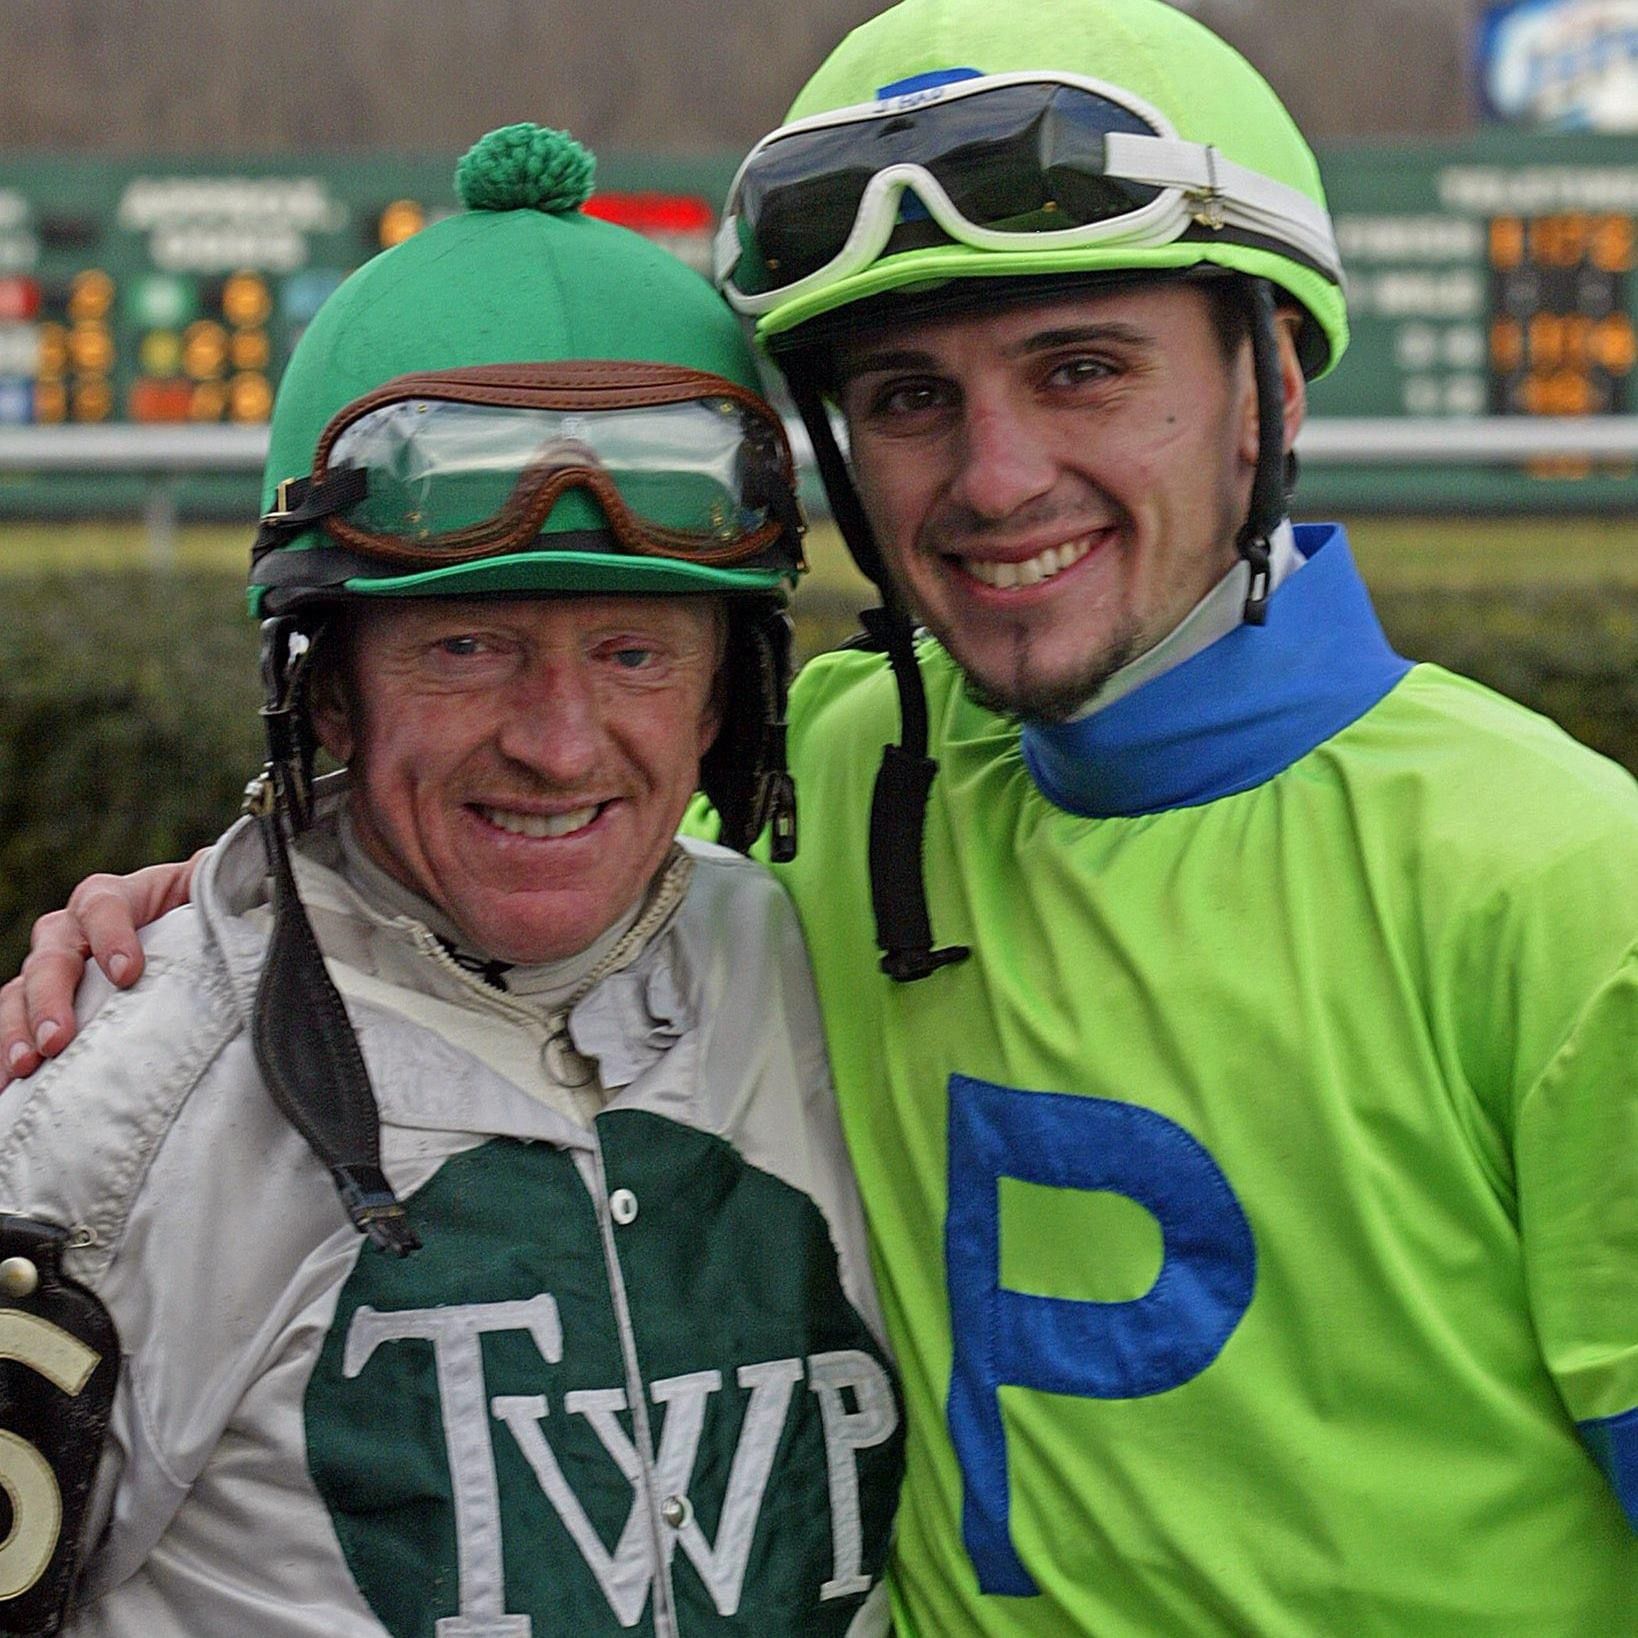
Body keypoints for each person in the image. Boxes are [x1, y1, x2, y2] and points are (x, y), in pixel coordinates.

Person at [7, 1, 1638, 1631]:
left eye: (1082, 369)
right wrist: (217, 916)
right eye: (911, 398)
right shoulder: (851, 779)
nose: (994, 479)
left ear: (1264, 385)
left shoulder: (1571, 885)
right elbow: (491, 856)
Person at [0, 123, 903, 1636]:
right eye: (467, 645)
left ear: (725, 697)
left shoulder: (826, 951)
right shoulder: (110, 1118)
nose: (558, 745)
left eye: (632, 652)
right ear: (330, 695)